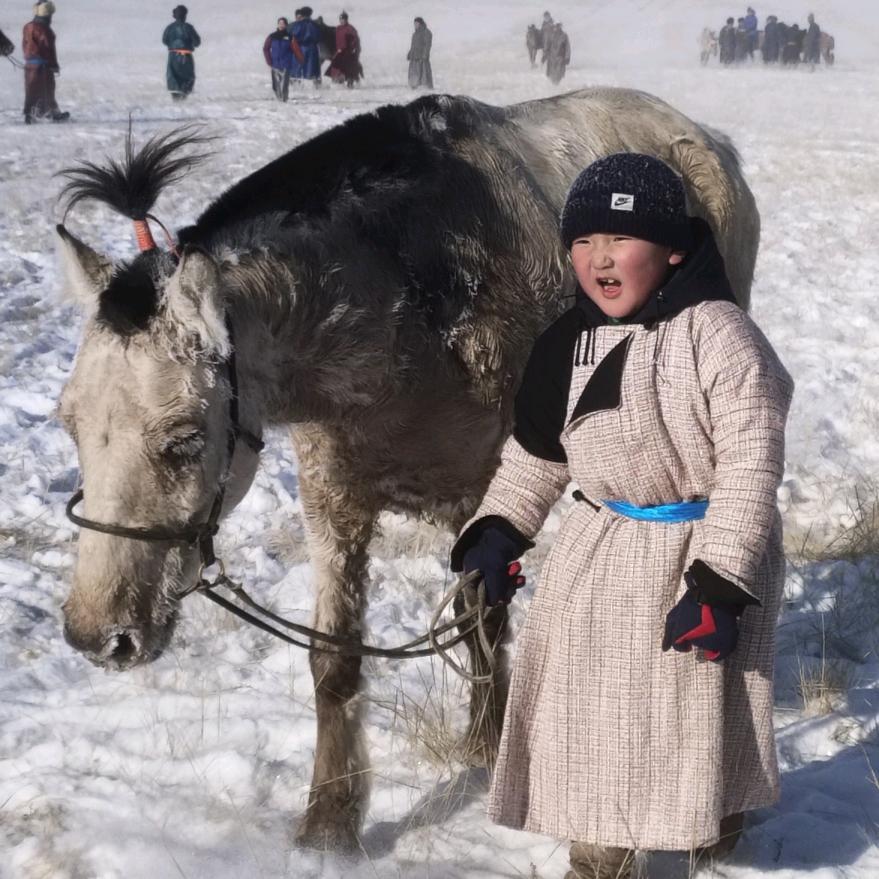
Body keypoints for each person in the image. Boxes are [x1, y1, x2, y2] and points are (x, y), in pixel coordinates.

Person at [450, 153, 793, 879]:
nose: (598, 257)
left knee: (692, 718)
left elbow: (749, 468)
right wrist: (496, 532)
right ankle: (598, 858)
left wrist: (719, 583)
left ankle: (709, 831)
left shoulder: (720, 336)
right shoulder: (566, 343)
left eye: (620, 239)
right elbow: (535, 458)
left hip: (700, 554)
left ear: (673, 249)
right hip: (602, 554)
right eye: (582, 240)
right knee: (597, 721)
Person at [22, 2, 69, 124]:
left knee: (31, 89)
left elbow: (25, 45)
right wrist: (54, 65)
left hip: (29, 64)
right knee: (47, 89)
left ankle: (29, 114)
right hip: (43, 66)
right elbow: (48, 49)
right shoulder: (45, 30)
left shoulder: (27, 26)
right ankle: (51, 113)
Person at [162, 5, 200, 100]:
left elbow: (164, 40)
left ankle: (176, 101)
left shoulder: (169, 28)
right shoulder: (189, 27)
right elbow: (197, 42)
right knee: (187, 78)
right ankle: (183, 99)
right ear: (185, 15)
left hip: (173, 56)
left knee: (173, 78)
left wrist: (173, 45)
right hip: (186, 56)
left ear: (175, 16)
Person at [263, 17, 301, 101]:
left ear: (286, 25)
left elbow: (296, 49)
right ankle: (279, 98)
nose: (281, 25)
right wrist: (269, 60)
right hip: (275, 64)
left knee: (284, 84)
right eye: (280, 23)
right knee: (275, 85)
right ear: (277, 24)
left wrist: (300, 60)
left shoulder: (290, 37)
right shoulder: (272, 36)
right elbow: (266, 48)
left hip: (286, 64)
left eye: (283, 24)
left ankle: (284, 100)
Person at [326, 11, 362, 87]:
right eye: (340, 19)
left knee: (349, 69)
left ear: (346, 19)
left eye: (343, 19)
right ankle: (339, 83)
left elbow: (355, 40)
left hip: (348, 53)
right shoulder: (338, 28)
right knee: (335, 67)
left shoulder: (351, 29)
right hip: (339, 52)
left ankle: (350, 83)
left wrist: (354, 49)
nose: (342, 21)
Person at [290, 7, 321, 85]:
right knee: (312, 69)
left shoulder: (298, 25)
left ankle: (297, 86)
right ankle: (315, 86)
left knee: (298, 69)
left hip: (300, 48)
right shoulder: (315, 25)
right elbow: (319, 37)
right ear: (310, 14)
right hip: (313, 49)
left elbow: (294, 35)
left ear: (302, 15)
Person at [407, 16, 432, 89]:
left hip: (422, 57)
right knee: (414, 72)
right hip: (414, 57)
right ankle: (414, 85)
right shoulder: (415, 34)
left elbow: (427, 45)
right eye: (414, 24)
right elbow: (413, 45)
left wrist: (425, 55)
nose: (415, 25)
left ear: (421, 24)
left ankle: (425, 87)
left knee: (423, 73)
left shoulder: (426, 32)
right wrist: (410, 53)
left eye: (417, 24)